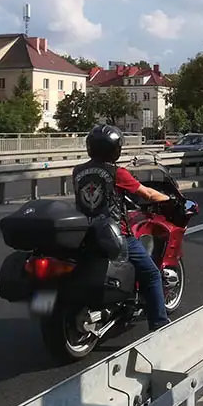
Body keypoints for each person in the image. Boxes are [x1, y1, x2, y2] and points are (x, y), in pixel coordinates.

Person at [72, 123, 171, 331]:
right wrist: (170, 200)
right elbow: (147, 194)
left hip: (85, 234)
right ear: (114, 149)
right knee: (152, 274)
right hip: (115, 234)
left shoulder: (78, 171)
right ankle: (160, 324)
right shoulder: (117, 173)